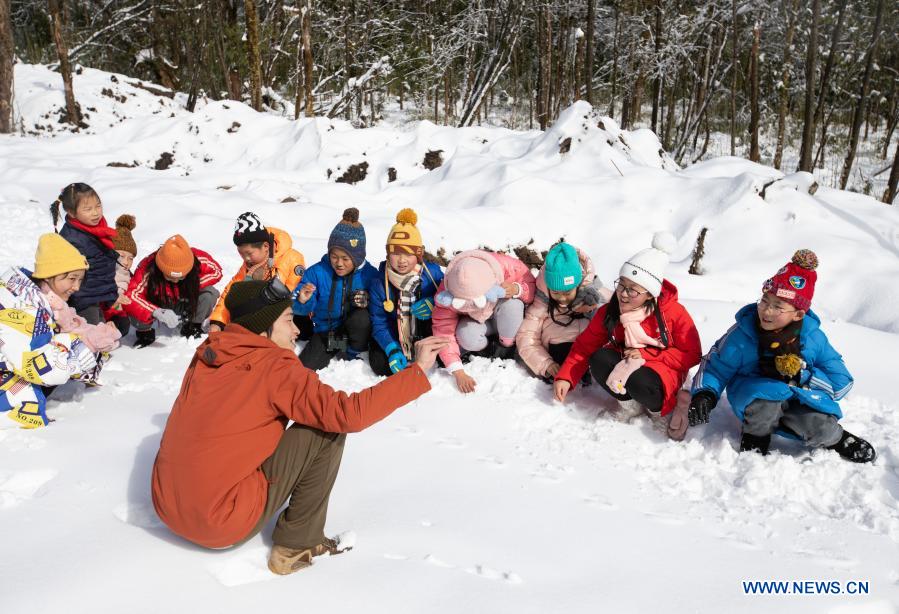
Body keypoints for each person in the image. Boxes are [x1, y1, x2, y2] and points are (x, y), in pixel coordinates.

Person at [150, 279, 449, 575]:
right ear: (263, 326)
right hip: (222, 523)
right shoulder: (276, 366)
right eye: (289, 320)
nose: (296, 331)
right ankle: (296, 546)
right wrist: (417, 371)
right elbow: (348, 414)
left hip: (167, 508)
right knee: (328, 426)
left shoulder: (209, 352)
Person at [688, 249, 875, 462]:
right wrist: (705, 393)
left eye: (778, 307)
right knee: (765, 404)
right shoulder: (743, 333)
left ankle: (838, 439)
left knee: (820, 426)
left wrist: (802, 376)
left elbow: (841, 384)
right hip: (755, 397)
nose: (767, 311)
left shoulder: (812, 338)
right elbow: (715, 366)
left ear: (798, 314)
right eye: (765, 301)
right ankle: (754, 444)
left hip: (801, 398)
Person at [554, 232, 702, 441]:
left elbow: (693, 354)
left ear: (650, 294)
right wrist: (566, 377)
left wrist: (645, 356)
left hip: (663, 368)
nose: (623, 294)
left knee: (641, 381)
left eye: (633, 290)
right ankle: (629, 404)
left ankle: (657, 410)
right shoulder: (612, 310)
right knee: (599, 359)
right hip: (626, 361)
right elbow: (585, 346)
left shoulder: (674, 313)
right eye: (621, 285)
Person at [0, 234, 114, 427]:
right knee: (33, 394)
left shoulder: (38, 295)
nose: (76, 287)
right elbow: (44, 369)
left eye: (80, 280)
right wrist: (82, 351)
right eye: (71, 279)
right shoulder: (28, 309)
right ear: (50, 274)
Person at [432, 249, 536, 393]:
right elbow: (443, 330)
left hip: (503, 313)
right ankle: (487, 349)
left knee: (513, 305)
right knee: (466, 335)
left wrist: (518, 289)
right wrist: (457, 370)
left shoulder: (507, 266)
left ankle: (507, 345)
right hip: (477, 322)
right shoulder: (447, 291)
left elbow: (534, 288)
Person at [292, 208, 378, 370]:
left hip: (355, 335)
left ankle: (353, 351)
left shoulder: (370, 276)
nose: (339, 263)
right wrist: (302, 300)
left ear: (357, 257)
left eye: (345, 258)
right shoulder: (317, 273)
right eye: (334, 256)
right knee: (305, 366)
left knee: (361, 317)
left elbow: (381, 306)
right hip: (326, 332)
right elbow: (300, 307)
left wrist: (368, 301)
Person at [516, 241, 611, 382]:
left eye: (567, 292)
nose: (562, 298)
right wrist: (545, 364)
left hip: (588, 344)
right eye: (555, 292)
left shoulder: (592, 290)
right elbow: (527, 337)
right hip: (558, 345)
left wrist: (594, 308)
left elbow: (615, 310)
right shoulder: (542, 300)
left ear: (578, 284)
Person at [368, 208, 444, 376]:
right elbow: (379, 323)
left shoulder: (433, 274)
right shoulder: (379, 283)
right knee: (381, 366)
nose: (401, 260)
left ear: (418, 255)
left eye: (408, 254)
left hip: (425, 333)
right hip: (394, 336)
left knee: (444, 357)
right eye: (396, 253)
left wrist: (435, 302)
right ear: (388, 254)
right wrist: (391, 348)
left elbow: (452, 295)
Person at [209, 211, 306, 332]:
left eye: (249, 254)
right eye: (241, 253)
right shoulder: (249, 266)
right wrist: (218, 321)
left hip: (288, 319)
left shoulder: (292, 259)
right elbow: (232, 291)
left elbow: (296, 295)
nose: (245, 259)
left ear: (265, 246)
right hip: (260, 320)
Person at [124, 234, 223, 347]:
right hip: (160, 302)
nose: (176, 281)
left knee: (210, 293)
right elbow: (131, 295)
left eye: (181, 277)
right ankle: (145, 332)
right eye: (170, 277)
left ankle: (193, 325)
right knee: (135, 305)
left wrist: (191, 285)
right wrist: (156, 311)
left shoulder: (197, 259)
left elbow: (216, 271)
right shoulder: (148, 268)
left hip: (185, 299)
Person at [52, 183, 120, 325]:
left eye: (98, 206)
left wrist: (112, 295)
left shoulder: (99, 228)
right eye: (88, 209)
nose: (95, 213)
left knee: (121, 326)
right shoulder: (72, 239)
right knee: (94, 335)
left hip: (101, 293)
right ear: (72, 213)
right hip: (83, 298)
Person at [105, 213, 138, 336]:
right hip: (98, 312)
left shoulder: (129, 277)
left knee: (124, 325)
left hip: (115, 314)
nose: (126, 262)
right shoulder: (102, 272)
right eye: (122, 255)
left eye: (130, 258)